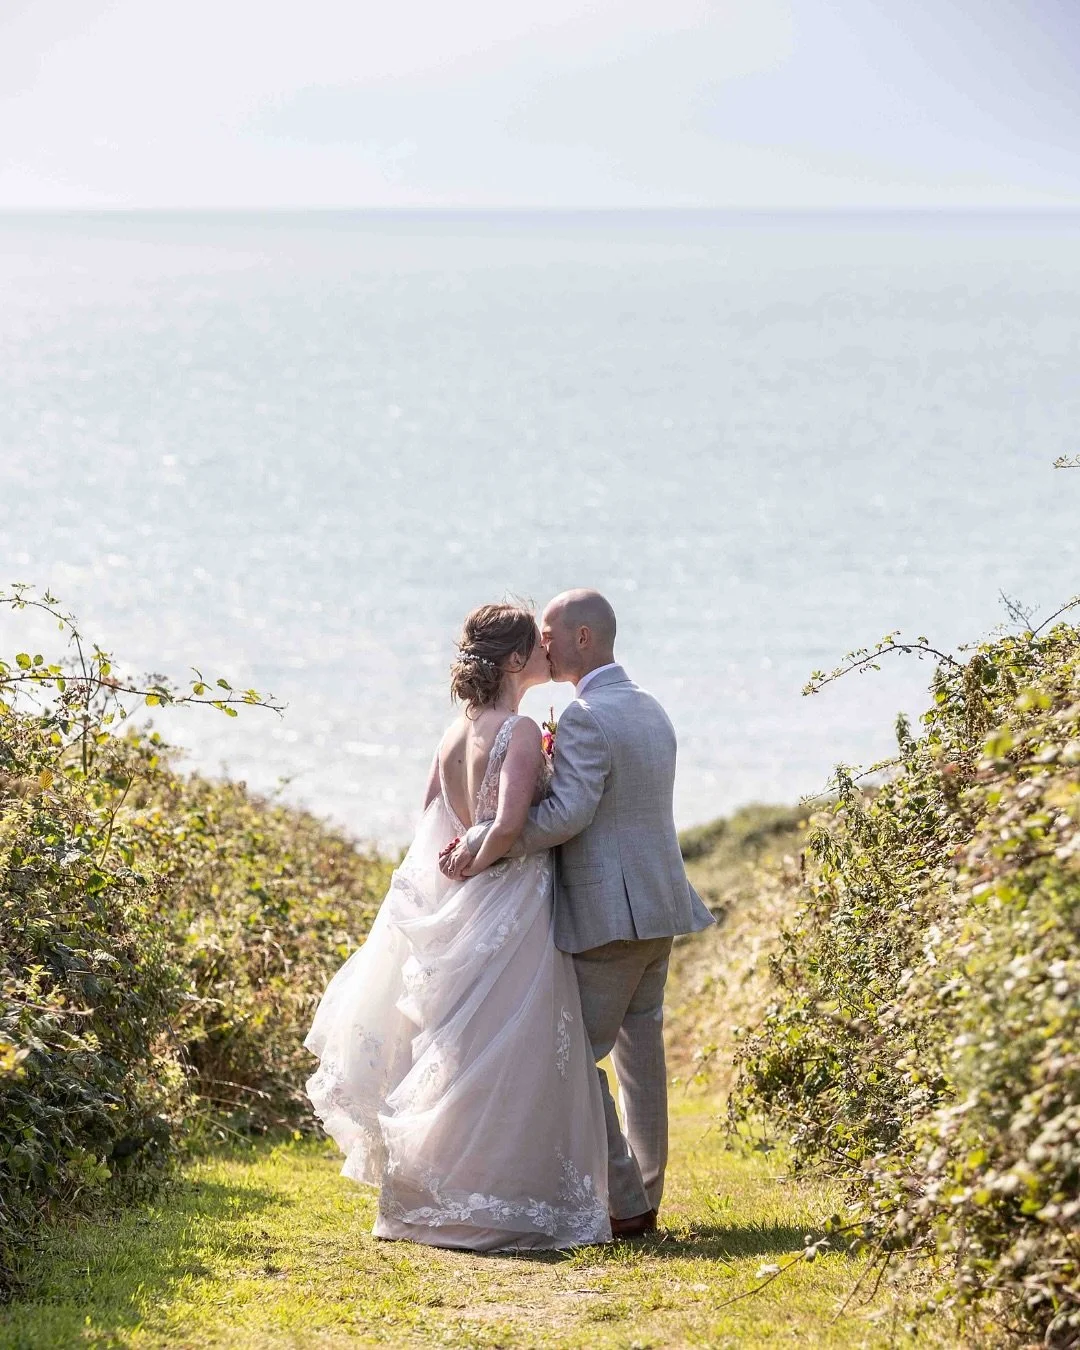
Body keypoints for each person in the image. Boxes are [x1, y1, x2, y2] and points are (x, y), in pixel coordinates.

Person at [304, 602, 610, 1251]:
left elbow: (431, 818)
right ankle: (501, 1200)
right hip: (510, 903)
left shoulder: (453, 733)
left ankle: (440, 1192)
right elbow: (505, 827)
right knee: (505, 1052)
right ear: (516, 660)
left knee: (455, 1050)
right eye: (538, 646)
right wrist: (483, 854)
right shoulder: (520, 732)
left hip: (457, 899)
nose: (548, 655)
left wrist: (452, 868)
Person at [440, 589, 715, 1237]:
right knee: (641, 1063)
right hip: (660, 909)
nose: (543, 645)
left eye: (551, 634)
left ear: (583, 638)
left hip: (608, 916)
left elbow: (568, 816)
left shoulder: (587, 717)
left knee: (573, 1058)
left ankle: (626, 1204)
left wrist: (491, 842)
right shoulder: (650, 708)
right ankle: (643, 1194)